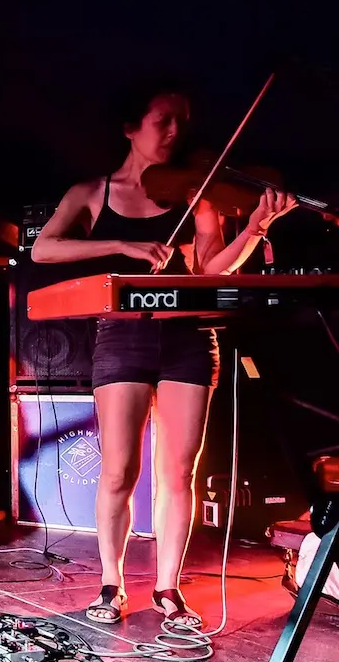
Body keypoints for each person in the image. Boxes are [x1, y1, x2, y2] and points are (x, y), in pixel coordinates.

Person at [32, 84, 295, 627]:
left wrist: (255, 227)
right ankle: (110, 585)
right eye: (163, 120)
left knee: (178, 472)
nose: (176, 131)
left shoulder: (195, 193)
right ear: (131, 127)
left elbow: (210, 269)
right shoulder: (94, 192)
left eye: (182, 121)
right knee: (118, 471)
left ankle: (168, 589)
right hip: (122, 336)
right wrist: (120, 246)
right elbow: (44, 248)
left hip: (189, 338)